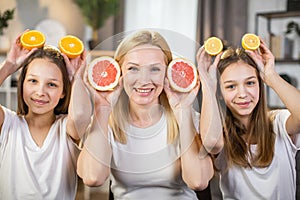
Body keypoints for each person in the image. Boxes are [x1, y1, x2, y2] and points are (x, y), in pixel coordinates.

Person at [77, 30, 221, 199]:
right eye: (133, 68)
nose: (144, 80)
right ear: (119, 72)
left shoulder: (190, 118)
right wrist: (102, 108)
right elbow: (92, 177)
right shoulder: (106, 122)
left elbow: (198, 181)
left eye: (154, 69)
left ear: (167, 72)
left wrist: (183, 114)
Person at [197, 39, 300, 199]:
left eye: (250, 83)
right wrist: (208, 85)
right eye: (231, 86)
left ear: (260, 84)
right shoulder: (218, 132)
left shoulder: (279, 123)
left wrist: (271, 76)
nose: (243, 94)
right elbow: (211, 142)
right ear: (219, 93)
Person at [0, 30, 88, 199]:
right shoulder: (8, 123)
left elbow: (80, 115)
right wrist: (9, 65)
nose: (41, 92)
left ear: (63, 91)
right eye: (33, 81)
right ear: (22, 83)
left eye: (52, 84)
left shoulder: (66, 129)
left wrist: (77, 78)